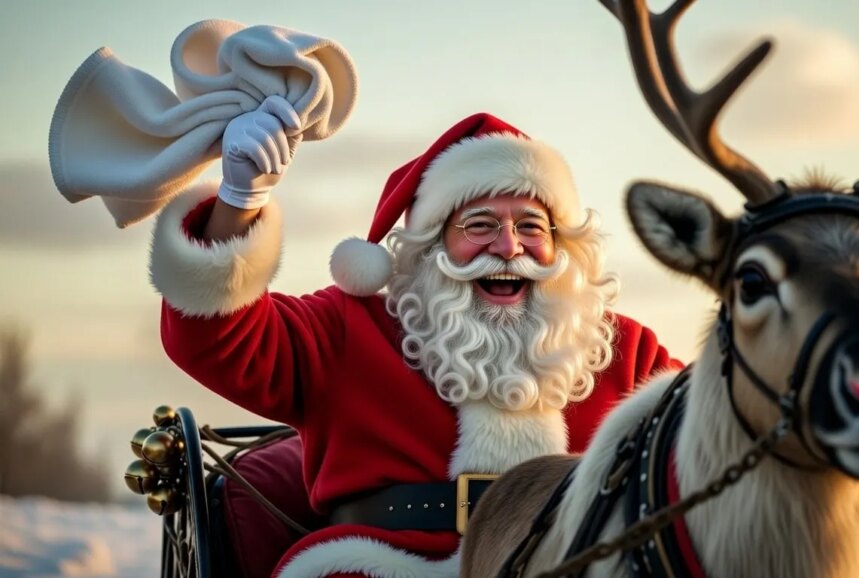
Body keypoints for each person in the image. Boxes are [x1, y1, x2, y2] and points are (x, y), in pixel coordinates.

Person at [149, 102, 681, 577]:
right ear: (432, 246)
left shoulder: (622, 348)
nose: (509, 246)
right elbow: (215, 337)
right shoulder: (350, 329)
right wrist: (241, 201)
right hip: (382, 566)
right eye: (479, 224)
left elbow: (716, 424)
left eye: (532, 226)